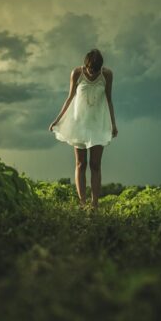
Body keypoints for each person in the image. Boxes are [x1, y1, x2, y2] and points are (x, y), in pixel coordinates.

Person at [49, 48, 118, 211]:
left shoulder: (107, 75)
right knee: (81, 164)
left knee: (95, 164)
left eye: (96, 69)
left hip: (98, 125)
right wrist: (57, 120)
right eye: (90, 69)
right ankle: (82, 203)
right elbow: (70, 97)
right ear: (86, 65)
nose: (92, 72)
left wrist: (113, 124)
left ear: (101, 67)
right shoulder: (77, 73)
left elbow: (109, 100)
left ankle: (94, 204)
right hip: (78, 124)